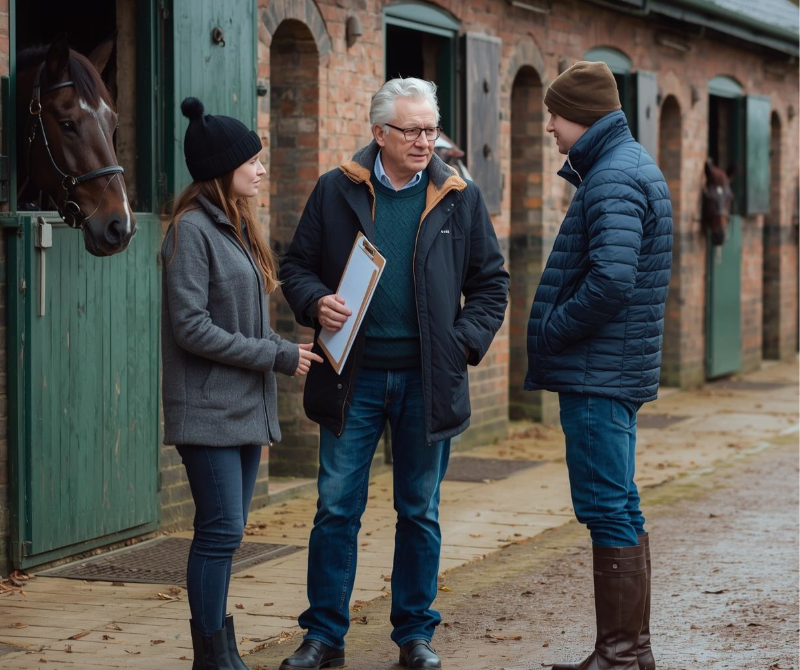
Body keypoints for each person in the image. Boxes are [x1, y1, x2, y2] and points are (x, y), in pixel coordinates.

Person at [278, 78, 509, 670]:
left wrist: (461, 345)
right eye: (410, 130)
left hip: (427, 382)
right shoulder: (336, 190)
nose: (424, 140)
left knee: (419, 509)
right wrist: (314, 302)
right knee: (335, 508)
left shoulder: (460, 195)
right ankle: (324, 636)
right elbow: (297, 265)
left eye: (430, 129)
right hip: (350, 379)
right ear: (379, 133)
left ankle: (414, 636)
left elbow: (491, 284)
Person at [161, 97, 323, 670]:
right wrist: (278, 354)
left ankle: (221, 646)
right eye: (251, 161)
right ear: (221, 170)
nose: (260, 169)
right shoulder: (190, 233)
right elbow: (191, 328)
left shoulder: (235, 228)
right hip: (206, 412)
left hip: (243, 411)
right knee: (220, 530)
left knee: (227, 533)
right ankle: (211, 653)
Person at [525, 61, 672, 670]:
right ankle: (630, 653)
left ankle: (618, 656)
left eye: (553, 116)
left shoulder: (612, 176)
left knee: (606, 506)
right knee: (621, 503)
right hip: (610, 368)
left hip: (596, 371)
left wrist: (555, 334)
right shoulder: (624, 165)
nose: (549, 129)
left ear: (579, 115)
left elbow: (611, 280)